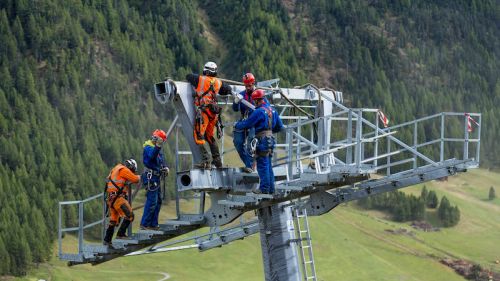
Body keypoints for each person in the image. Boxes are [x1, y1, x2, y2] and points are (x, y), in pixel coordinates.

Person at [234, 89, 283, 194]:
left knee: (262, 165)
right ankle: (271, 189)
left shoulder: (259, 112)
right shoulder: (273, 110)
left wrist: (236, 125)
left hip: (262, 141)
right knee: (268, 165)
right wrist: (270, 131)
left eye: (254, 101)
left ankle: (264, 189)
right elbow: (280, 126)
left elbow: (247, 124)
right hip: (270, 139)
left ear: (257, 100)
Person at [186, 61, 233, 169]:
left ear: (205, 70)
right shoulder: (218, 82)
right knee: (209, 136)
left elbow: (188, 76)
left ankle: (206, 161)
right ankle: (217, 161)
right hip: (213, 114)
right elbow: (226, 89)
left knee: (199, 135)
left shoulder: (200, 80)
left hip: (204, 113)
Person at [103, 159, 140, 246]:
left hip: (110, 199)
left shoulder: (115, 169)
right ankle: (121, 234)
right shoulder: (124, 170)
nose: (132, 172)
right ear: (131, 167)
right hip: (118, 198)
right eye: (133, 170)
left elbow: (108, 182)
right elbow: (135, 179)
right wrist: (143, 176)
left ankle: (107, 240)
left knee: (113, 220)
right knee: (130, 216)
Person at [140, 129, 169, 230]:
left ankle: (153, 224)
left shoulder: (157, 149)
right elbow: (152, 156)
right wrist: (157, 146)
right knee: (152, 201)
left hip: (156, 177)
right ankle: (144, 224)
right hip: (151, 177)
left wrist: (165, 167)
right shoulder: (148, 148)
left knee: (158, 201)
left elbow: (161, 160)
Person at [232, 73, 256, 173]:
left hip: (254, 121)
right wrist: (236, 102)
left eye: (249, 85)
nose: (248, 87)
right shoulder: (242, 94)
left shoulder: (258, 94)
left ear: (253, 83)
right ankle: (248, 164)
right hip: (244, 120)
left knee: (250, 142)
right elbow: (235, 109)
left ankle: (250, 165)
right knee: (237, 142)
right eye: (246, 86)